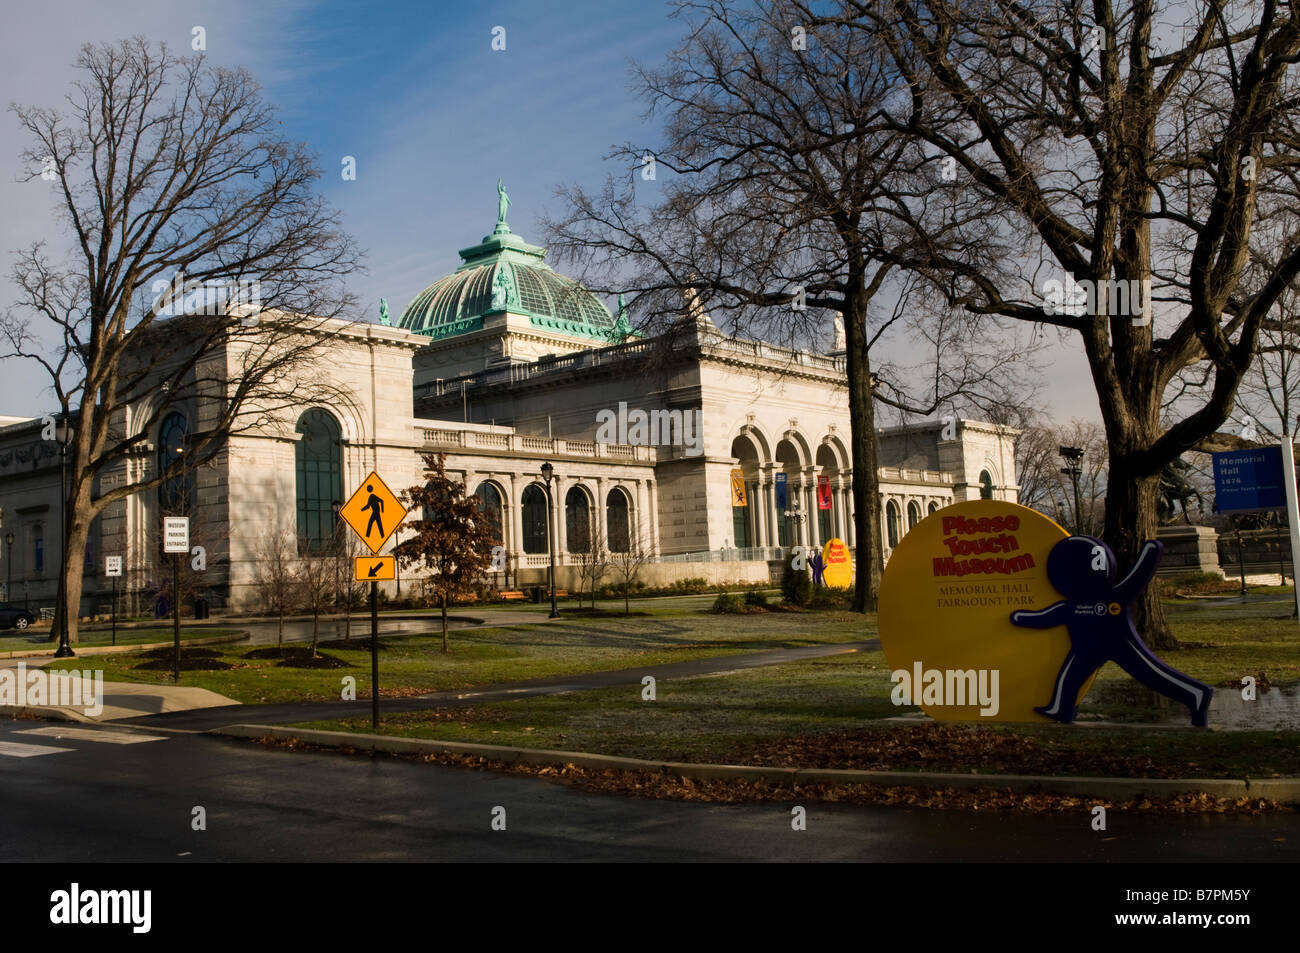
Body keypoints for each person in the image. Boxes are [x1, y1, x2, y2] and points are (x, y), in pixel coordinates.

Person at [1010, 536, 1212, 727]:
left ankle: (1195, 693)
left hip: (1119, 643)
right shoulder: (1071, 606)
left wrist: (1151, 553)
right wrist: (1020, 618)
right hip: (1086, 650)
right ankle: (1060, 709)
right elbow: (1044, 618)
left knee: (1151, 674)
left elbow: (1137, 577)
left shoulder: (1107, 598)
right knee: (1069, 678)